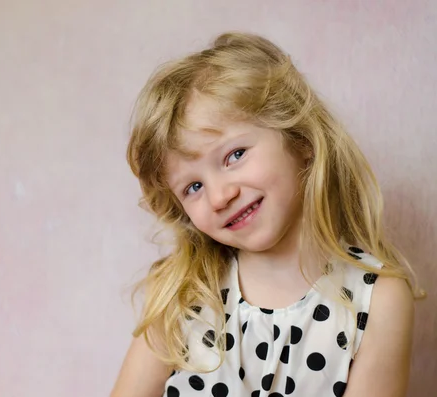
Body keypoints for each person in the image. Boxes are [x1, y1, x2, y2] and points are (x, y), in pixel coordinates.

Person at [110, 32, 424, 397]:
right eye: (193, 187)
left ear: (301, 140)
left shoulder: (377, 300)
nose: (219, 196)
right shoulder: (182, 295)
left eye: (234, 155)